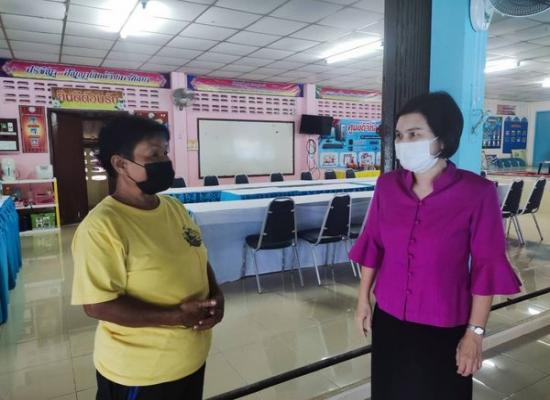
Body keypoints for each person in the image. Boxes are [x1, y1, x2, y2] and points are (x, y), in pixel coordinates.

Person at [351, 92, 521, 400]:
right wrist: (363, 299)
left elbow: (486, 265)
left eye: (414, 134)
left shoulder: (477, 193)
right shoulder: (387, 186)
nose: (404, 143)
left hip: (444, 324)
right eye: (400, 135)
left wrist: (475, 333)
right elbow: (373, 244)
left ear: (442, 139)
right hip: (389, 318)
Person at [71, 115, 224, 400]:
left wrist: (216, 294)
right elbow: (97, 305)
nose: (164, 161)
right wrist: (177, 316)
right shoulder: (102, 226)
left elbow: (197, 256)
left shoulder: (174, 208)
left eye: (165, 152)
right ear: (120, 164)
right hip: (141, 374)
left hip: (190, 360)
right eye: (153, 155)